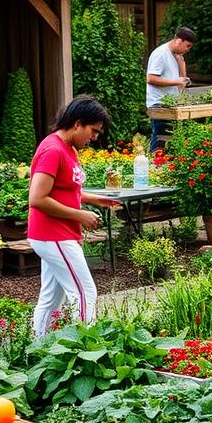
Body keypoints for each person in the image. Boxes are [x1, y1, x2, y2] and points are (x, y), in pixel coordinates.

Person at [27, 96, 122, 337]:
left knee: (50, 299)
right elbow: (37, 198)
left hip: (56, 235)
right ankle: (86, 351)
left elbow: (64, 189)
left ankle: (37, 349)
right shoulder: (53, 150)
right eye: (93, 131)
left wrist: (92, 199)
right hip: (53, 234)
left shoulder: (68, 148)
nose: (94, 137)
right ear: (78, 123)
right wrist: (80, 215)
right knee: (84, 293)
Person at [146, 27, 195, 146]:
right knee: (160, 139)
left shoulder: (175, 55)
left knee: (171, 140)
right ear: (179, 41)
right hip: (159, 104)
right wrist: (175, 82)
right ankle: (154, 163)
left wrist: (181, 62)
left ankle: (160, 163)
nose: (188, 50)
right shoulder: (161, 54)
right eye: (187, 46)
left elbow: (181, 80)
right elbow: (151, 79)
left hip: (171, 104)